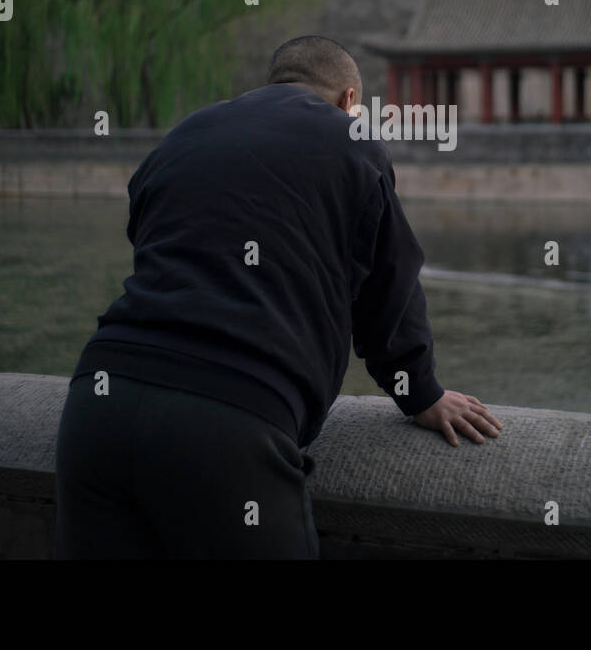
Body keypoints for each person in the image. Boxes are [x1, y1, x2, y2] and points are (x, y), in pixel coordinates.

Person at [54, 35, 502, 559]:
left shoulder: (187, 132)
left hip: (96, 404)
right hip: (234, 412)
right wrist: (420, 392)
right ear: (349, 100)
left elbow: (147, 236)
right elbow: (389, 283)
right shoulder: (353, 140)